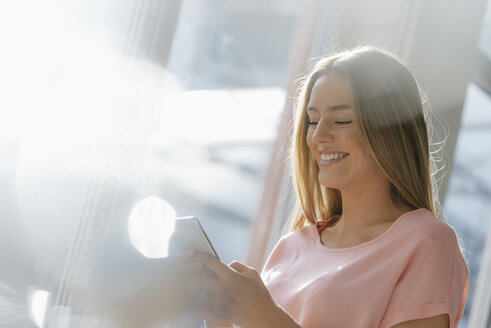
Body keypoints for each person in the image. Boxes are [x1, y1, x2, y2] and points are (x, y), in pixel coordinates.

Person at [188, 46, 470, 328]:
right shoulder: (292, 246)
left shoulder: (427, 242)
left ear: (390, 130)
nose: (318, 135)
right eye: (312, 120)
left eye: (341, 120)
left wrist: (263, 316)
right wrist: (221, 312)